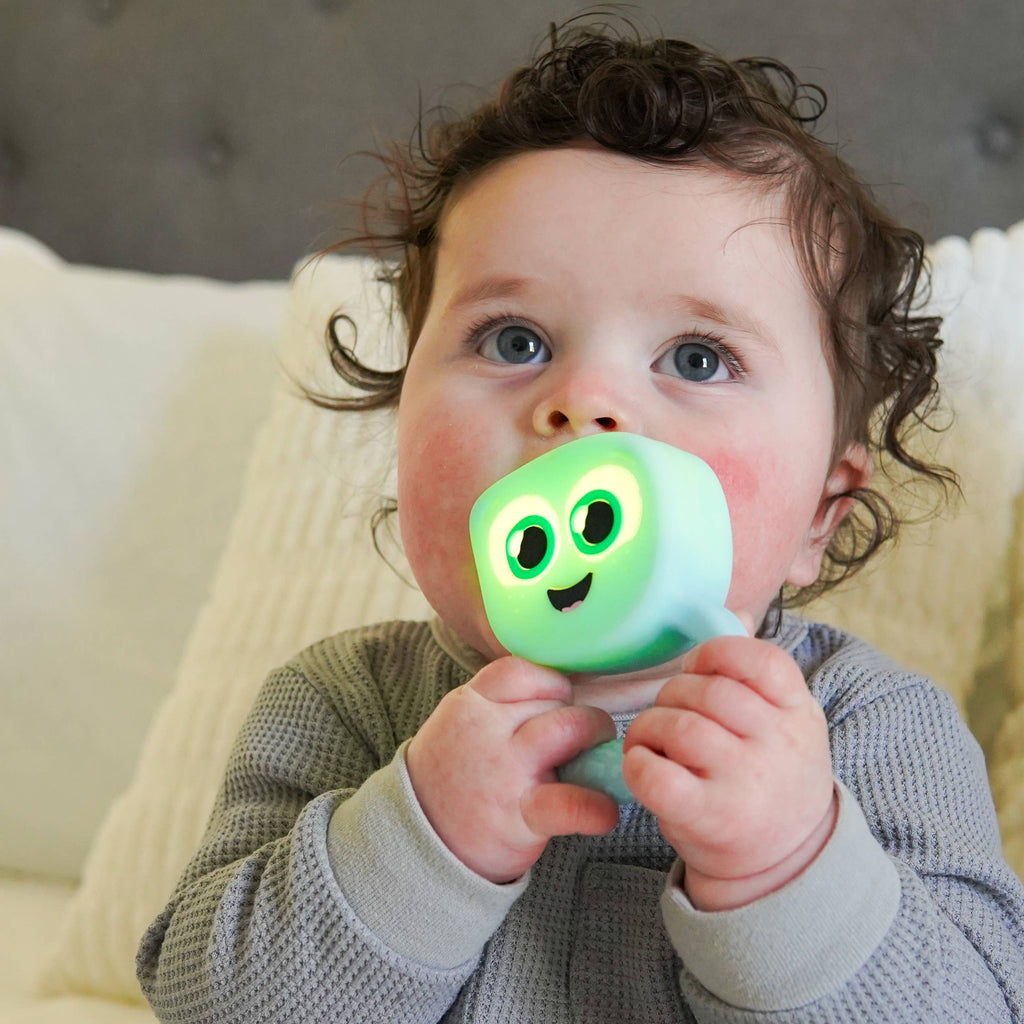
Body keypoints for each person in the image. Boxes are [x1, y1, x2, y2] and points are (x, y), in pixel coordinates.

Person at [137, 15, 1024, 1023]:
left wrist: (789, 869)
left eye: (696, 358)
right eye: (514, 340)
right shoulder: (347, 706)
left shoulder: (871, 728)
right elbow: (208, 1003)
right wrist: (418, 839)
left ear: (821, 511)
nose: (587, 402)